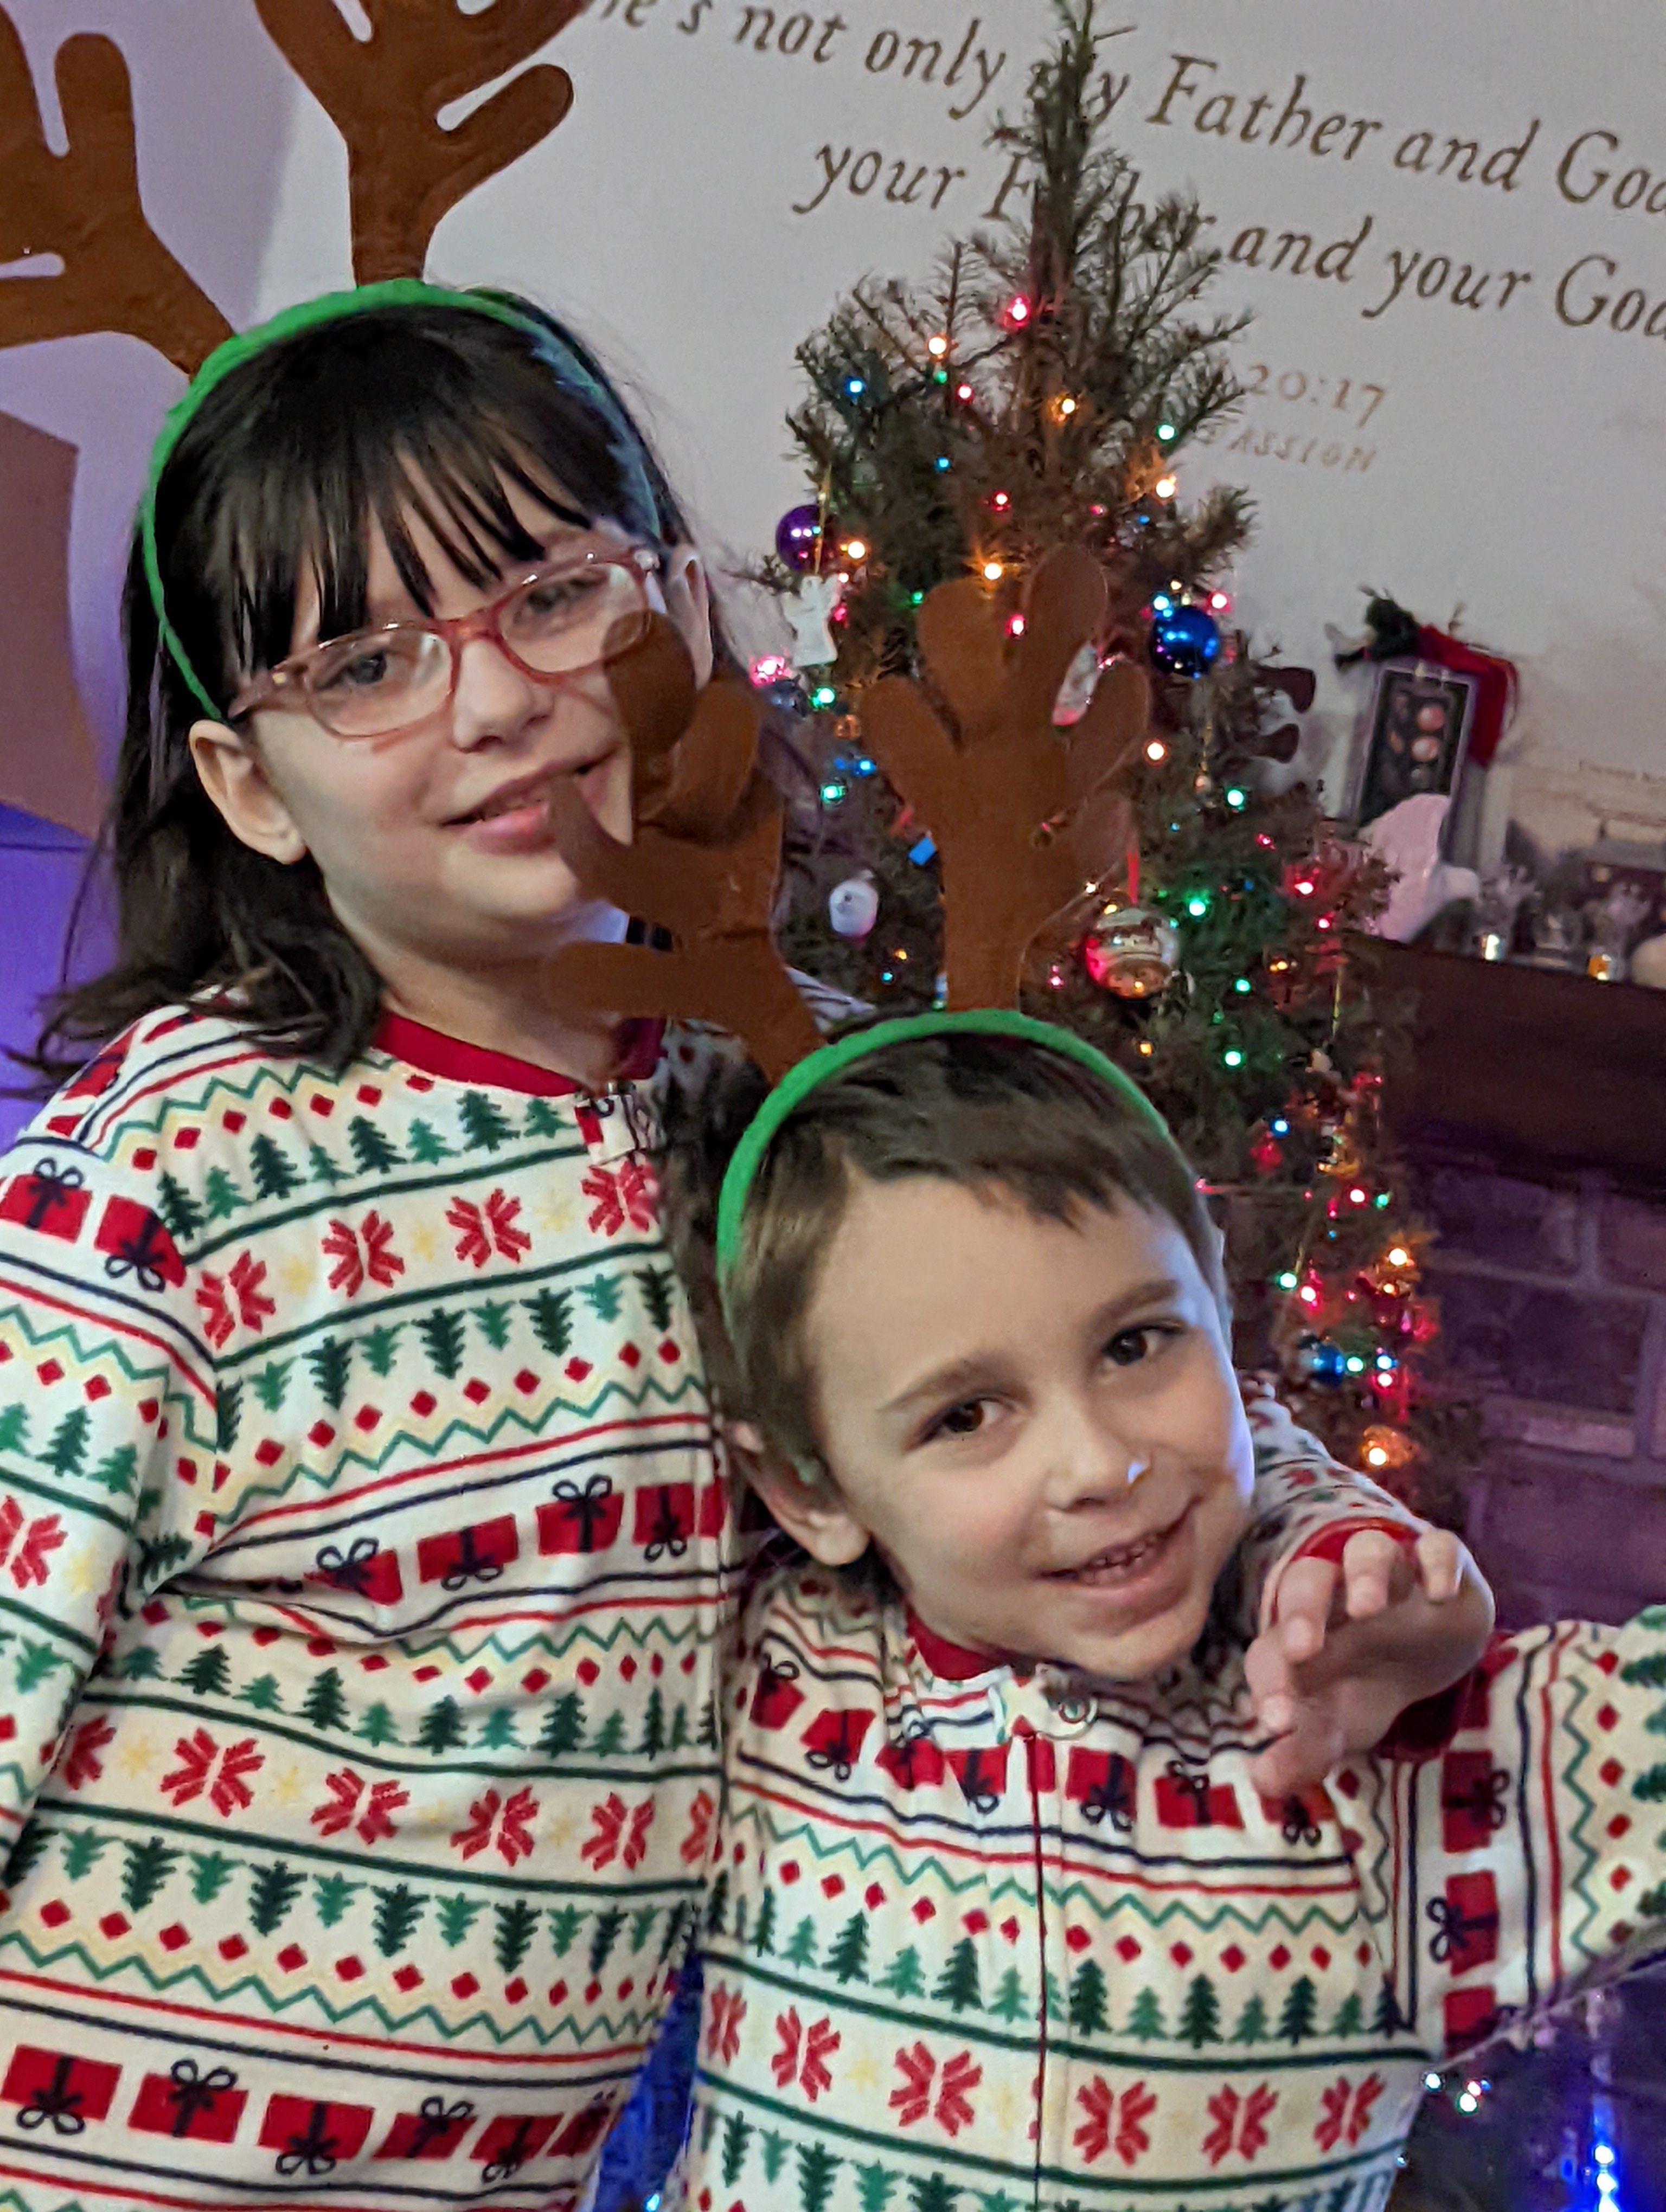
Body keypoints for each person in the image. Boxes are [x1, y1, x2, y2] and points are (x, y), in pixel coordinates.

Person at [0, 281, 744, 2210]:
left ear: (682, 612)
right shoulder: (160, 1179)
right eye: (362, 664)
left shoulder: (786, 1111)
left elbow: (1098, 1346)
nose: (494, 701)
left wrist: (1330, 1559)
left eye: (556, 594)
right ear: (251, 786)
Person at [657, 1012, 1666, 2212]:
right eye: (965, 1415)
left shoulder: (1373, 1757)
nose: (1101, 1464)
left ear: (1221, 1320)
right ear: (808, 1490)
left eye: (1137, 1344)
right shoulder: (750, 1675)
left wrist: (1331, 1535)